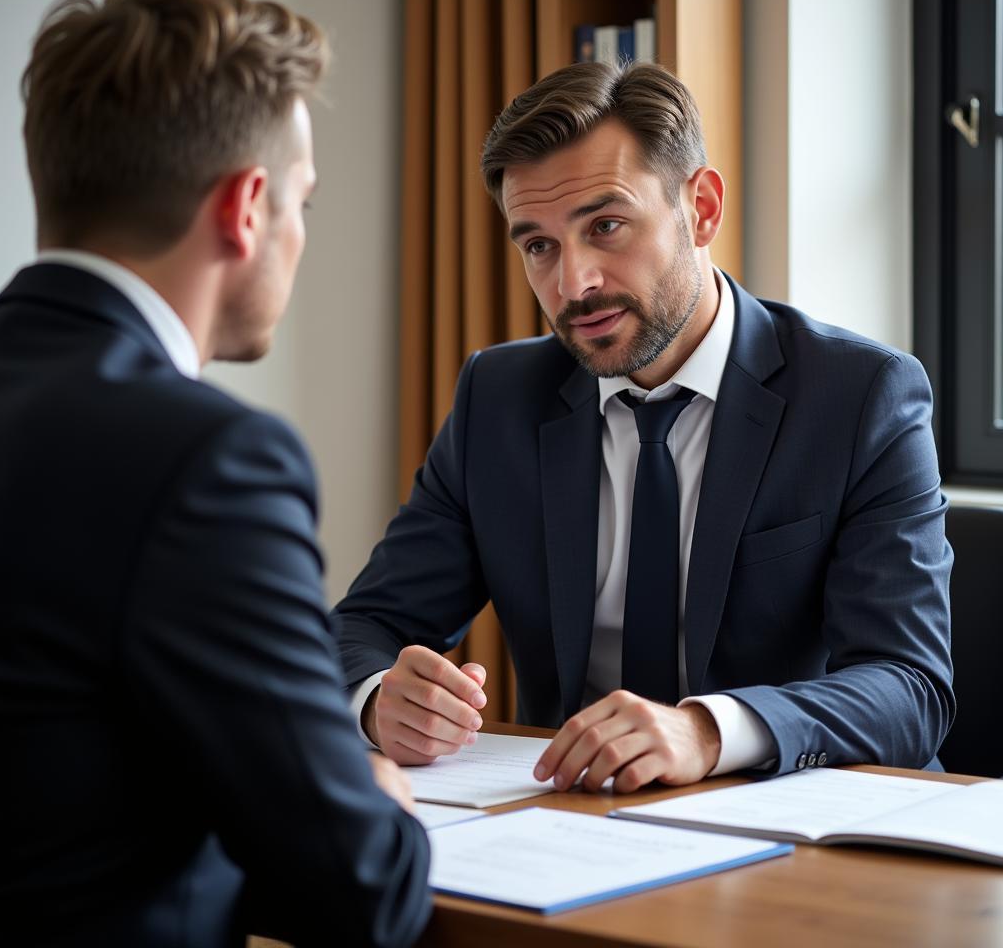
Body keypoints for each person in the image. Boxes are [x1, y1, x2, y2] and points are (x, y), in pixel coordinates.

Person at [335, 61, 954, 794]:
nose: (574, 283)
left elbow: (910, 688)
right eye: (538, 245)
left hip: (793, 825)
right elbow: (364, 623)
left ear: (703, 209)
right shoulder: (497, 399)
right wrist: (379, 698)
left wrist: (708, 730)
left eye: (606, 226)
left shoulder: (860, 397)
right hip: (570, 821)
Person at [0, 0, 430, 948]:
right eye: (303, 201)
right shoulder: (207, 460)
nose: (300, 233)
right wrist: (376, 790)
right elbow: (360, 892)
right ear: (245, 207)